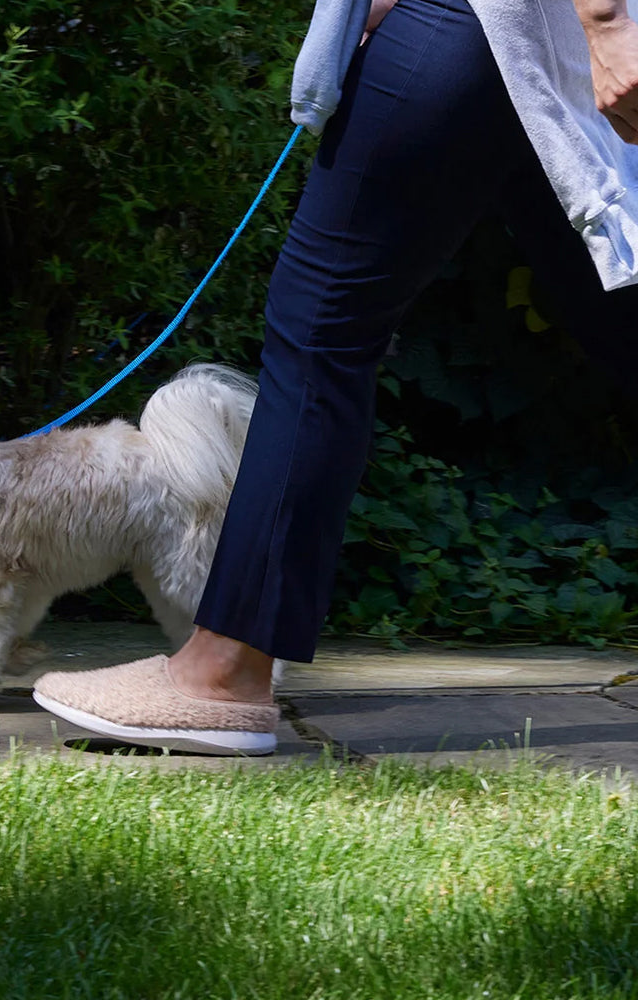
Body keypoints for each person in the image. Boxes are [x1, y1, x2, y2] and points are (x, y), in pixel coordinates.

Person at [32, 0, 638, 755]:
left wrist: (606, 21)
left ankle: (220, 675)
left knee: (322, 326)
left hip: (490, 19)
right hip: (520, 37)